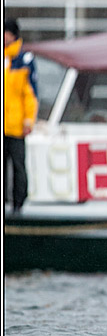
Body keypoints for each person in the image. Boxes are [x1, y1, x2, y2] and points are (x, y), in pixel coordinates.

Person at [4, 18, 38, 214]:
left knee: (18, 166)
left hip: (16, 124)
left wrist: (28, 120)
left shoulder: (24, 60)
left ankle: (18, 204)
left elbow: (30, 95)